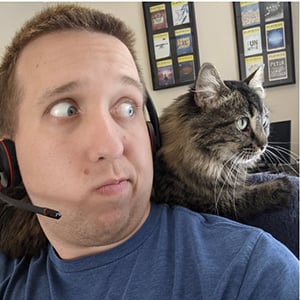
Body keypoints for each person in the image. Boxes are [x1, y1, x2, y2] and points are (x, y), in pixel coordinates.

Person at [0, 4, 298, 299]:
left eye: (128, 107)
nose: (112, 146)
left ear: (151, 132)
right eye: (66, 109)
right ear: (8, 156)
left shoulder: (252, 273)